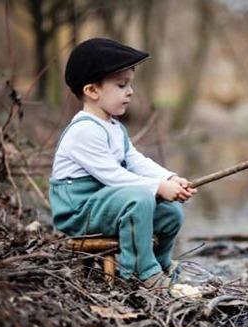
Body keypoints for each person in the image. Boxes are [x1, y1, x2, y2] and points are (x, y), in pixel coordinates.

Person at [49, 37, 197, 288]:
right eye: (121, 85)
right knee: (139, 198)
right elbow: (113, 176)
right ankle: (142, 271)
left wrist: (169, 178)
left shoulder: (114, 127)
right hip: (79, 211)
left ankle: (160, 264)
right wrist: (157, 188)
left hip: (105, 204)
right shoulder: (84, 130)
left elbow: (135, 161)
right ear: (92, 91)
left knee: (171, 212)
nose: (130, 91)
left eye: (130, 85)